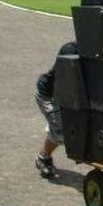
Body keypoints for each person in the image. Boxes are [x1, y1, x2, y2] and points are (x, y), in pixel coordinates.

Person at [34, 41, 78, 179]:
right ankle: (43, 157)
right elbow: (64, 83)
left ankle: (55, 126)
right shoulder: (70, 50)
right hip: (50, 95)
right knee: (61, 130)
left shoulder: (98, 53)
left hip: (71, 95)